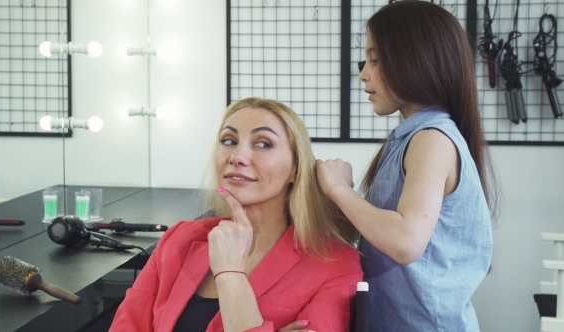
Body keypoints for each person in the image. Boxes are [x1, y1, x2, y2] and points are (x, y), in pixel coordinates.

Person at [315, 1, 499, 331]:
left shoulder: (432, 139)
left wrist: (338, 190)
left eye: (375, 60)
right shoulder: (408, 138)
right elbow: (377, 239)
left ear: (416, 61)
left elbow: (405, 242)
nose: (363, 74)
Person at [110, 97, 361, 332]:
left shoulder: (337, 264)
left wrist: (230, 274)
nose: (237, 157)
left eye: (264, 144)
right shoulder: (178, 238)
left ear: (296, 169)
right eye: (229, 141)